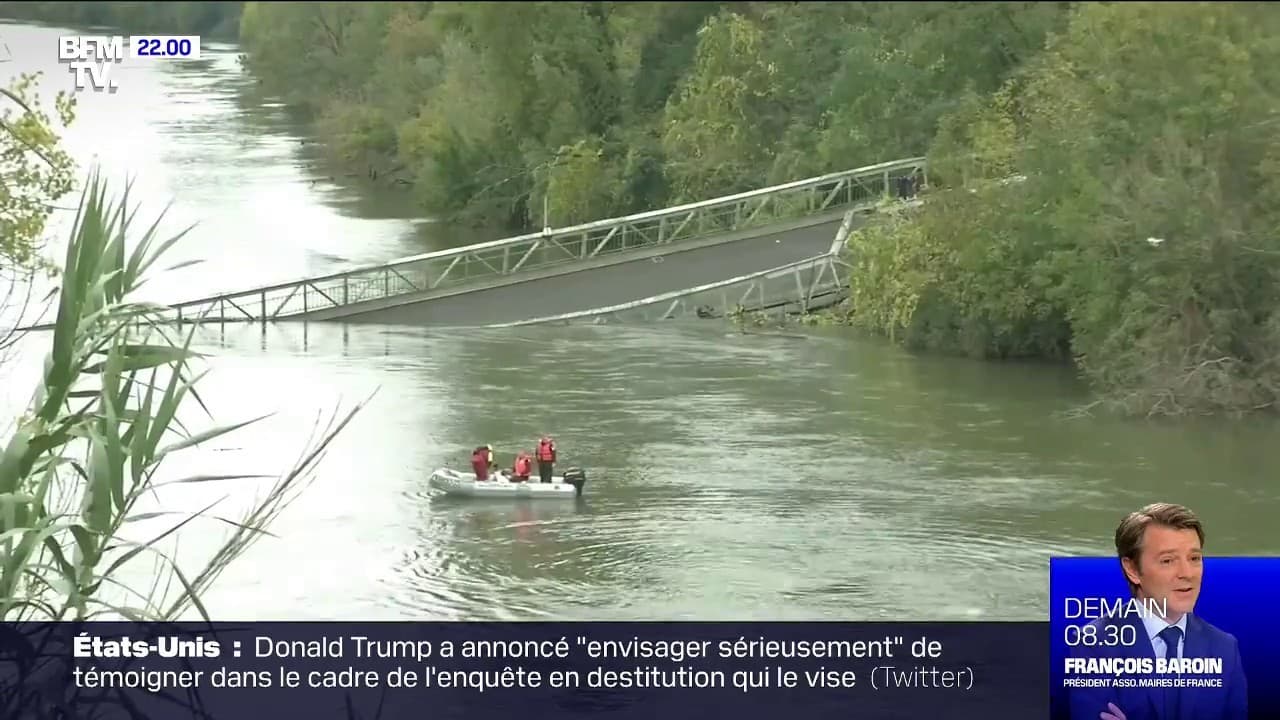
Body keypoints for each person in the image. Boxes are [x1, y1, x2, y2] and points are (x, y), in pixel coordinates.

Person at [1067, 503, 1247, 720]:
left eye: (1194, 558)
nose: (1187, 573)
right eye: (1168, 561)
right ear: (1132, 570)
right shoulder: (1095, 644)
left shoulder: (1225, 648)